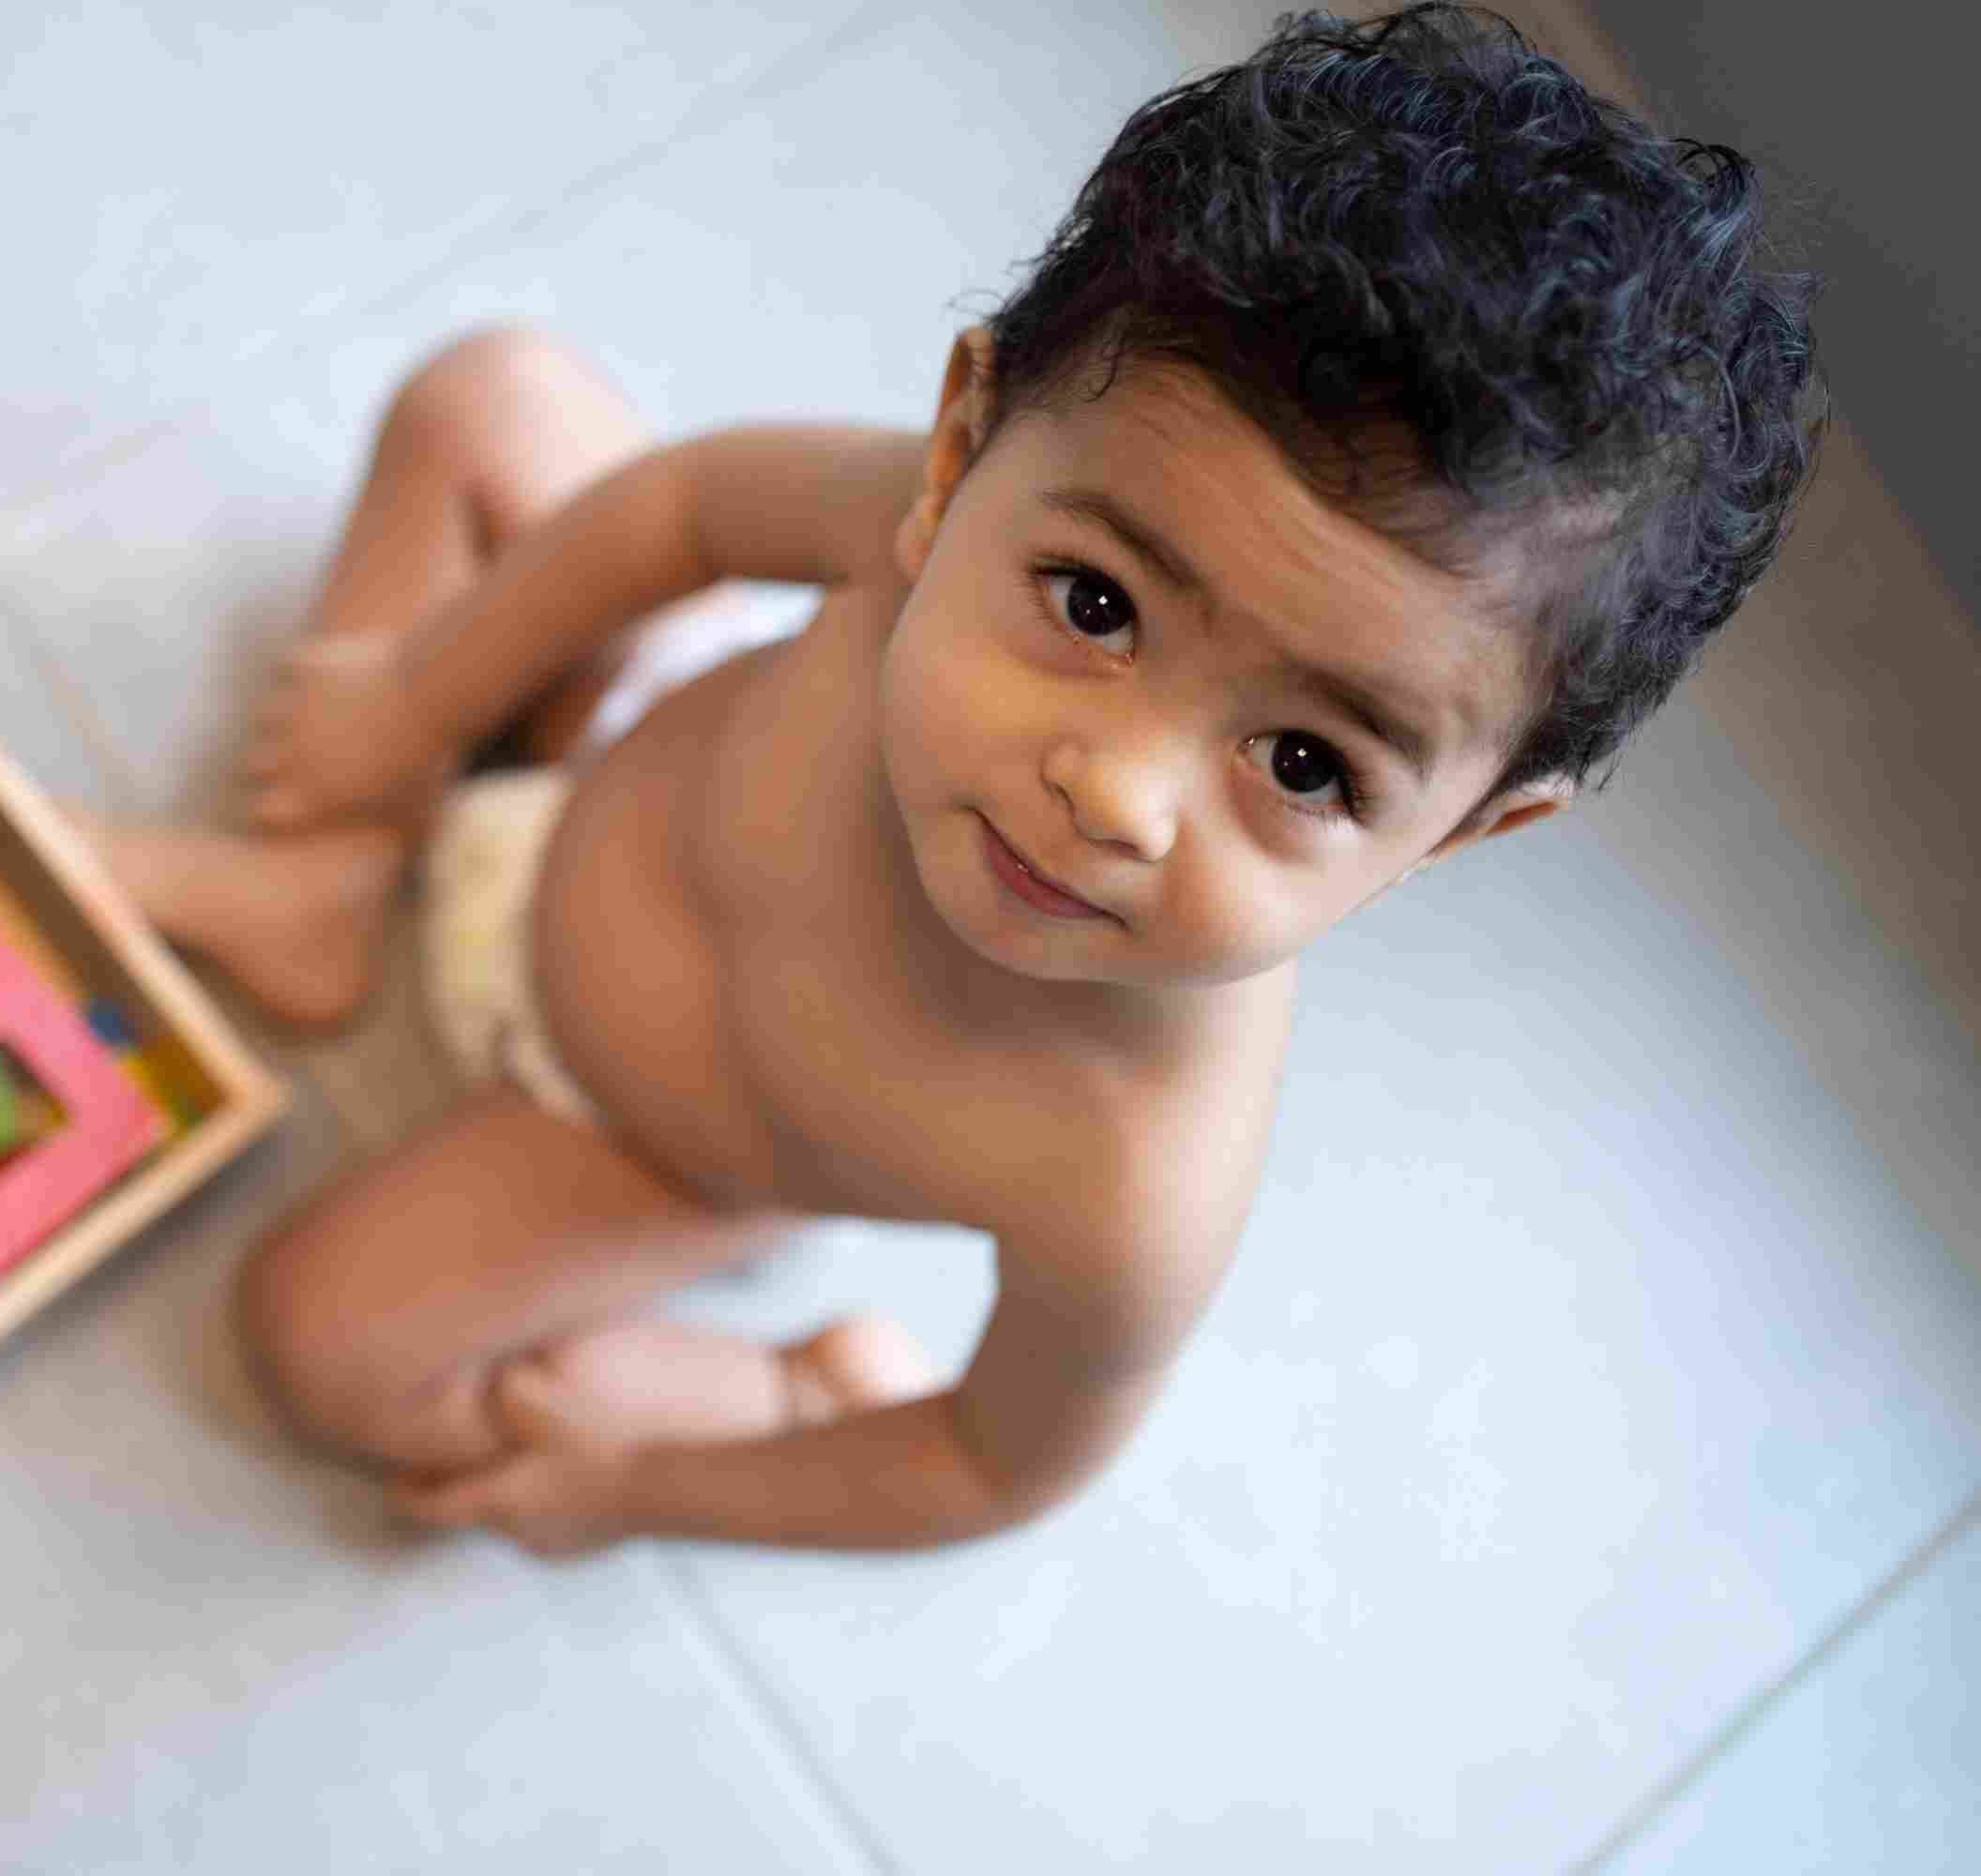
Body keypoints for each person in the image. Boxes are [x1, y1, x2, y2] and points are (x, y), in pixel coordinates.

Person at [88, 4, 1821, 1556]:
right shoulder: (907, 530)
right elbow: (680, 513)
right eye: (1098, 606)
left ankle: (787, 1385)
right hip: (603, 763)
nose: (1117, 795)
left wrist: (646, 1481)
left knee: (320, 1345)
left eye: (1305, 762)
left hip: (630, 1148)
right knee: (496, 396)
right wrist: (419, 703)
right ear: (958, 457)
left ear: (1464, 831)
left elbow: (991, 1465)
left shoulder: (1128, 1176)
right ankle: (336, 872)